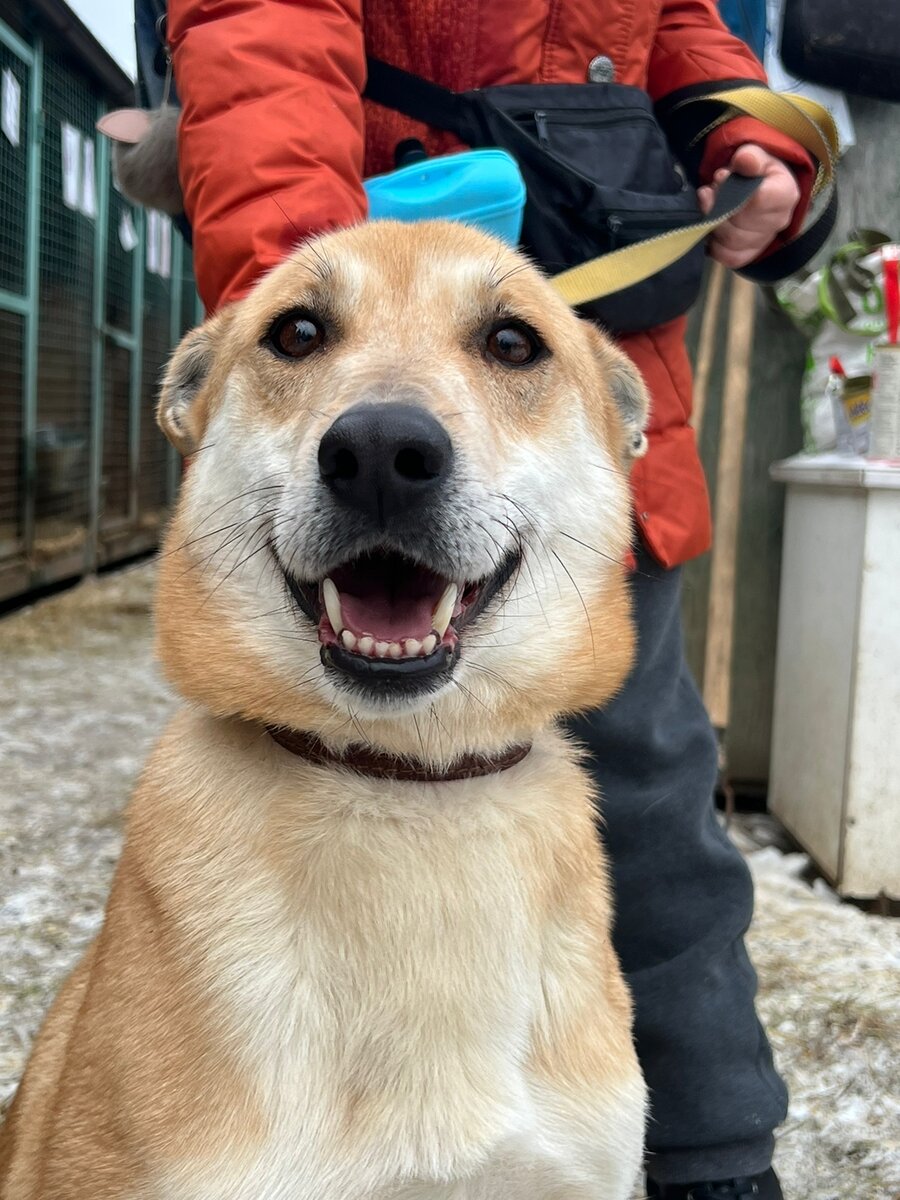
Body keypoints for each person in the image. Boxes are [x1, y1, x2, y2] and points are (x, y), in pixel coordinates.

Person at [165, 3, 816, 1195]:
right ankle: (302, 1129)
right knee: (278, 795)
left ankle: (715, 1155)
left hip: (598, 384)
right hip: (360, 234)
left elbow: (684, 30)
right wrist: (311, 318)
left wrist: (748, 146)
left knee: (659, 803)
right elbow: (261, 51)